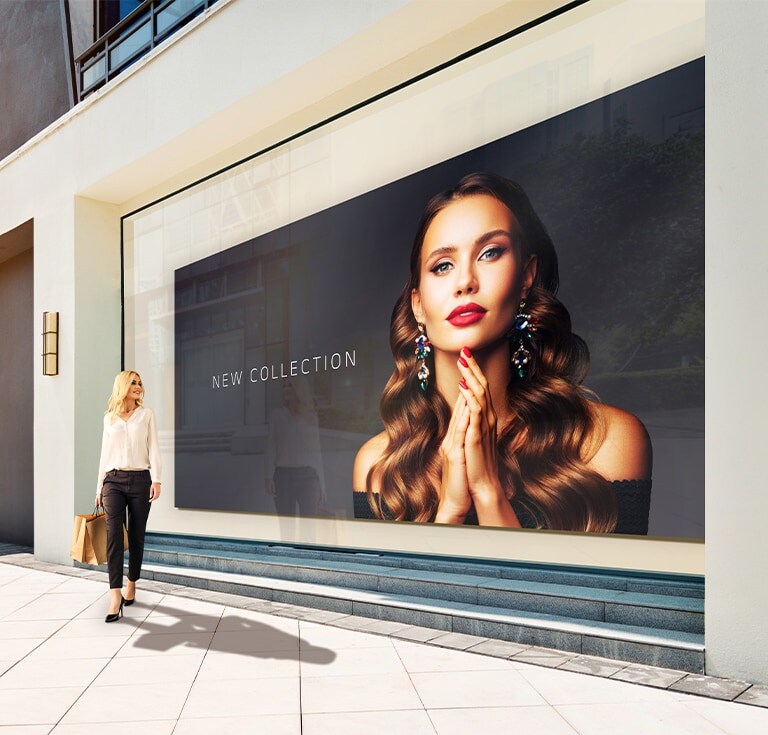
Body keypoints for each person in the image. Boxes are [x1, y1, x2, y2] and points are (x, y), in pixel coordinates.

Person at [353, 172, 652, 534]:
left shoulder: (607, 442)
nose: (465, 281)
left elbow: (602, 593)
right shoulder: (380, 466)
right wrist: (449, 511)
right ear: (418, 305)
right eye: (442, 266)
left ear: (526, 277)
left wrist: (489, 493)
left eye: (490, 253)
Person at [95, 370, 162, 621]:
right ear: (122, 386)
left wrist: (157, 479)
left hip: (140, 480)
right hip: (112, 480)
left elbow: (154, 446)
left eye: (139, 383)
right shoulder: (109, 419)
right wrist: (98, 488)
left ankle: (131, 582)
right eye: (133, 382)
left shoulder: (146, 415)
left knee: (136, 536)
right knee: (113, 536)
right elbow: (104, 454)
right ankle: (114, 594)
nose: (138, 386)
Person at [265, 376, 326, 517]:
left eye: (290, 385)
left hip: (309, 477)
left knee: (309, 526)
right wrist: (268, 476)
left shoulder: (311, 416)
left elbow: (317, 451)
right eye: (284, 386)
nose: (286, 388)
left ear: (299, 388)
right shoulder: (277, 415)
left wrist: (322, 483)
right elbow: (270, 447)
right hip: (283, 476)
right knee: (287, 528)